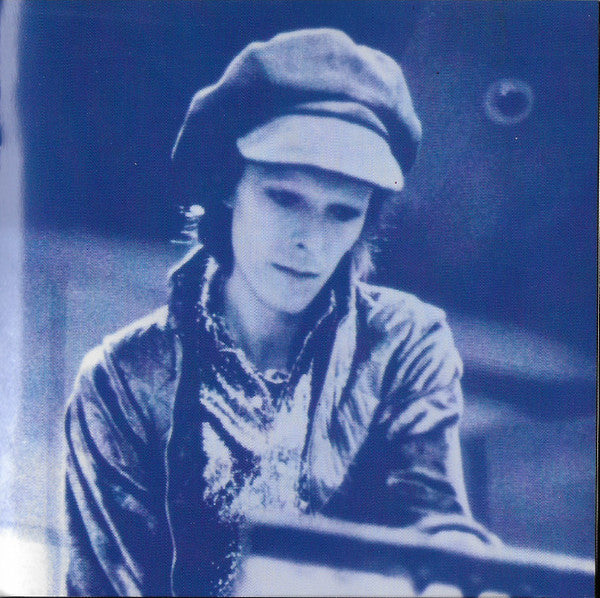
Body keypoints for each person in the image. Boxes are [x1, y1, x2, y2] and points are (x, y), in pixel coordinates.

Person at [64, 28, 496, 597]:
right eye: (284, 198)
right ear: (227, 187)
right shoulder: (121, 380)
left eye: (342, 213)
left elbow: (434, 519)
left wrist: (457, 576)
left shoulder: (405, 343)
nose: (309, 242)